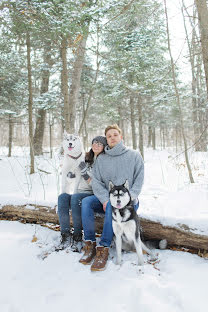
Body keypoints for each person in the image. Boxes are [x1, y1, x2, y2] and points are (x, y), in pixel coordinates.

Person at [79, 124, 144, 271]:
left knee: (112, 205)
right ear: (106, 140)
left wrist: (129, 197)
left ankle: (104, 247)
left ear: (121, 137)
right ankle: (89, 244)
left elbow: (139, 180)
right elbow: (96, 182)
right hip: (107, 200)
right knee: (86, 202)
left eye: (115, 135)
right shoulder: (102, 159)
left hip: (128, 202)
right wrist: (104, 199)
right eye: (109, 136)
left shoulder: (134, 155)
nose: (112, 138)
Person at [57, 135, 107, 252]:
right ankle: (65, 234)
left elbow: (98, 184)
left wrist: (85, 174)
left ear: (104, 147)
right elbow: (73, 170)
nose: (96, 145)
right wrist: (70, 173)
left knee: (75, 198)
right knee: (62, 197)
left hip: (91, 193)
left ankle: (78, 236)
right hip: (78, 191)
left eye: (99, 144)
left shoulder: (104, 161)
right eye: (94, 142)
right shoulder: (85, 157)